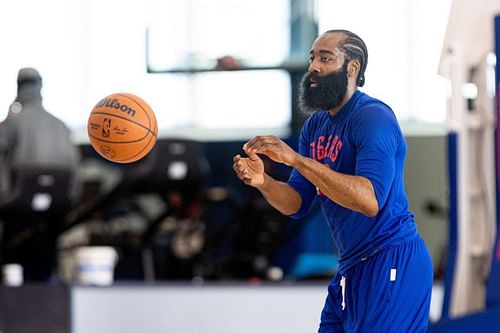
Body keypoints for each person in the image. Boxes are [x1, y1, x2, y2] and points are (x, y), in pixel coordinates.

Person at [233, 30, 433, 332]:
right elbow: (297, 203)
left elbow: (369, 201)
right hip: (351, 267)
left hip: (391, 260)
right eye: (313, 57)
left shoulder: (373, 117)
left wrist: (297, 160)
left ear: (352, 68)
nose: (314, 66)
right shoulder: (315, 127)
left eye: (326, 58)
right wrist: (263, 181)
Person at [0, 68, 81, 281]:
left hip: (18, 209)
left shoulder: (14, 121)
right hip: (56, 208)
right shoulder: (61, 125)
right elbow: (75, 171)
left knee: (14, 262)